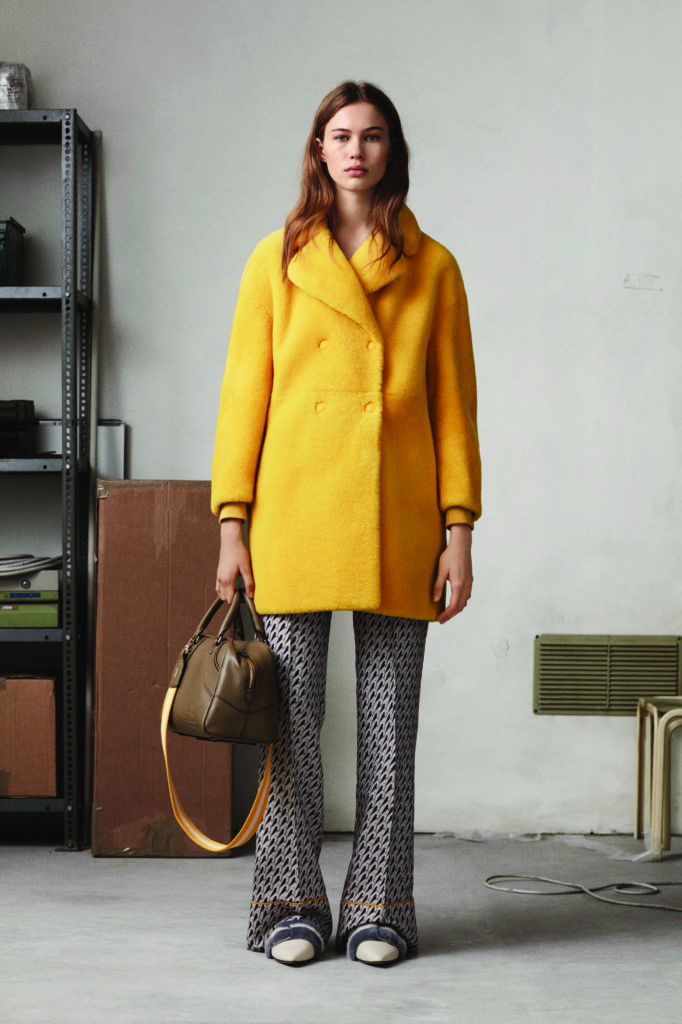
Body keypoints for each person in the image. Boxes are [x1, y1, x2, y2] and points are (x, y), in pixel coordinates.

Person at [211, 80, 481, 967]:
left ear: (391, 150)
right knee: (289, 724)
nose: (355, 150)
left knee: (389, 728)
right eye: (340, 135)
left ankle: (380, 908)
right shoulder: (276, 260)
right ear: (318, 151)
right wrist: (231, 523)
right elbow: (244, 401)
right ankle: (289, 904)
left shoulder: (433, 267)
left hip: (398, 517)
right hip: (293, 512)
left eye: (371, 136)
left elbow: (454, 411)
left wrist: (459, 529)